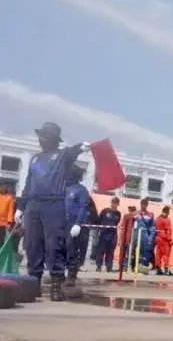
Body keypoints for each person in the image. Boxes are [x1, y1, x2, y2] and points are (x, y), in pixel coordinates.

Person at [14, 122, 88, 301]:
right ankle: (33, 284)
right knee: (33, 245)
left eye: (44, 136)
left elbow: (71, 152)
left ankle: (56, 286)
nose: (41, 139)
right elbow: (28, 184)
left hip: (53, 205)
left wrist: (81, 147)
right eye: (40, 136)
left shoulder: (61, 156)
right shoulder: (35, 159)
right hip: (33, 205)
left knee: (54, 245)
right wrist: (20, 207)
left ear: (53, 139)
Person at [64, 164, 90, 287]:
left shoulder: (81, 190)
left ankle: (71, 274)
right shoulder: (63, 188)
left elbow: (83, 207)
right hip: (61, 223)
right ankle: (58, 274)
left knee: (71, 248)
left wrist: (78, 224)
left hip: (73, 224)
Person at [129, 199, 155, 274]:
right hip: (135, 235)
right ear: (140, 204)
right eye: (142, 204)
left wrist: (151, 237)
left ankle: (143, 267)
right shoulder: (135, 213)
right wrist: (130, 234)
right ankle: (132, 266)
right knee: (132, 251)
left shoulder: (150, 214)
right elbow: (131, 224)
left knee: (145, 252)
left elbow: (152, 227)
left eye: (145, 204)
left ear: (147, 205)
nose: (143, 205)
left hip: (145, 235)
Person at [154, 206, 173, 276]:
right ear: (167, 212)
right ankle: (166, 270)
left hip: (158, 238)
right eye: (168, 212)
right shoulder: (166, 220)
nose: (168, 214)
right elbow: (168, 231)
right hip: (164, 239)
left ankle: (158, 269)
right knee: (166, 255)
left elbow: (155, 229)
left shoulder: (157, 218)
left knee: (158, 254)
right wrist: (170, 240)